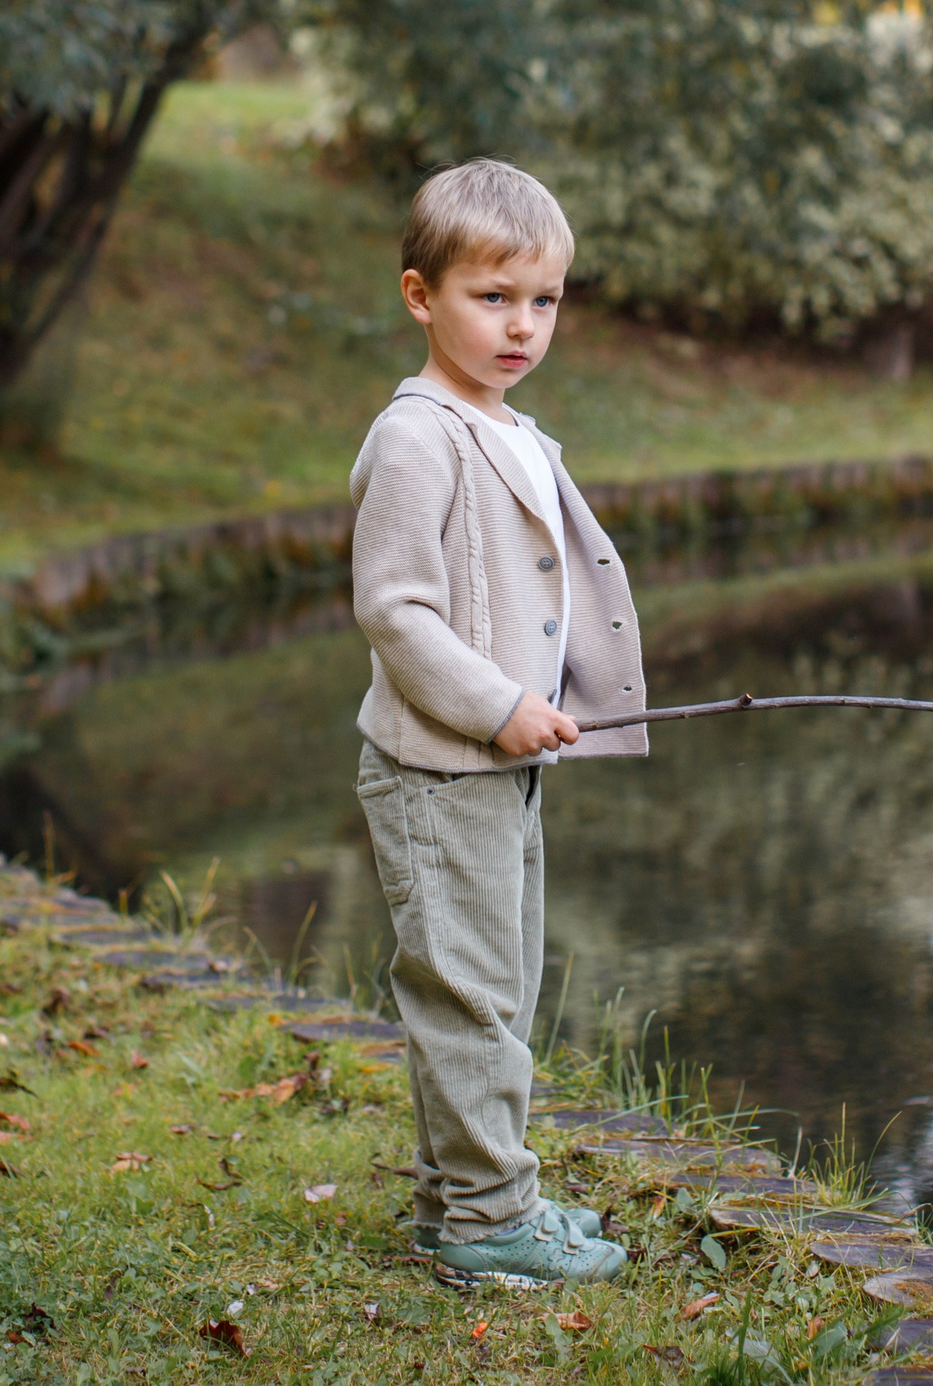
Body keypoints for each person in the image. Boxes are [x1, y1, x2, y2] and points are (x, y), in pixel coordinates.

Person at [347, 159, 647, 1289]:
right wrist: (498, 705)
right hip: (439, 770)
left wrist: (559, 696)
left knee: (500, 987)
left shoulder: (510, 426)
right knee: (468, 992)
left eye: (545, 301)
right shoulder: (418, 436)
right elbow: (396, 610)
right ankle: (486, 1221)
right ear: (421, 296)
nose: (522, 326)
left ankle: (459, 1203)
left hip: (499, 770)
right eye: (493, 298)